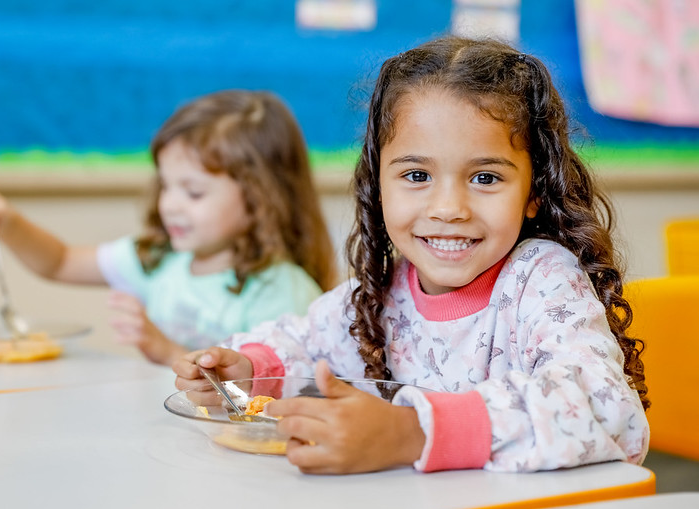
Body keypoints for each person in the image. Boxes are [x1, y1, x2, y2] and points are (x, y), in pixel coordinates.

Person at [173, 36, 650, 474]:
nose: (448, 210)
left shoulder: (541, 279)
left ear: (533, 192)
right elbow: (303, 343)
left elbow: (607, 409)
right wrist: (246, 373)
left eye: (485, 178)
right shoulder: (383, 293)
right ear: (377, 185)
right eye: (417, 176)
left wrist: (412, 433)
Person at [0, 90, 337, 365]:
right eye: (166, 185)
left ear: (261, 200)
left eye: (193, 192)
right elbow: (59, 262)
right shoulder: (159, 259)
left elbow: (268, 397)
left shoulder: (282, 292)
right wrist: (7, 221)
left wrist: (168, 352)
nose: (170, 204)